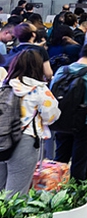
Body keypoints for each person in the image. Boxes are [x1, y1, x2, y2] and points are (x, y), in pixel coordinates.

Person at [0, 51, 60, 194]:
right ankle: (11, 217)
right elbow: (52, 116)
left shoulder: (4, 86)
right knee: (16, 191)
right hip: (25, 140)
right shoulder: (40, 90)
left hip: (2, 137)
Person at [51, 42, 87, 181]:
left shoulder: (62, 70)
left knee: (60, 160)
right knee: (79, 161)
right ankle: (76, 194)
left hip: (62, 120)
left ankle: (54, 189)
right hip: (85, 122)